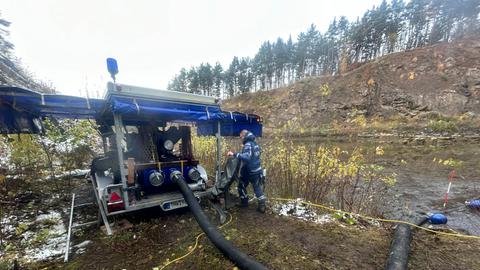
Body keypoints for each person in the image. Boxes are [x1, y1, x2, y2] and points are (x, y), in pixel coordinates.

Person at [227, 129, 266, 213]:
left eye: (241, 136)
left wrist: (234, 154)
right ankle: (262, 205)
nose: (241, 138)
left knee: (241, 185)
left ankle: (244, 202)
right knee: (257, 188)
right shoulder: (255, 144)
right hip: (257, 170)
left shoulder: (248, 144)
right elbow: (258, 153)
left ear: (244, 135)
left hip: (249, 171)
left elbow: (247, 157)